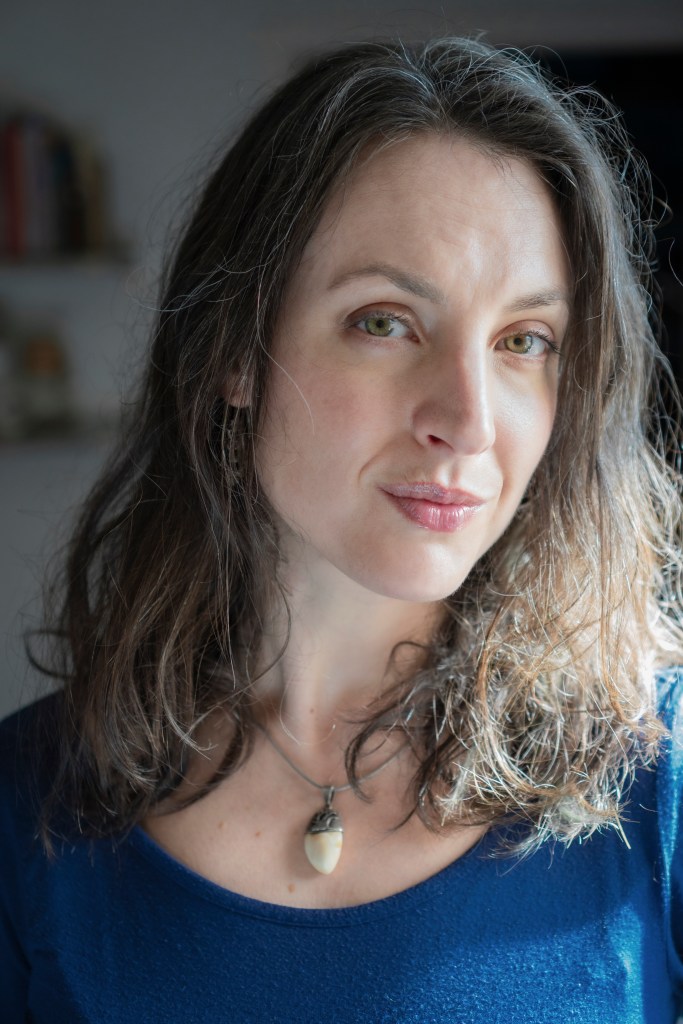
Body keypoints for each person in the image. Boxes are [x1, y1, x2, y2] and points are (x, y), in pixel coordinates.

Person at [1, 36, 682, 1023]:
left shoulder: (657, 774)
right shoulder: (26, 808)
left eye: (522, 341)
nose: (468, 421)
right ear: (236, 350)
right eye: (384, 321)